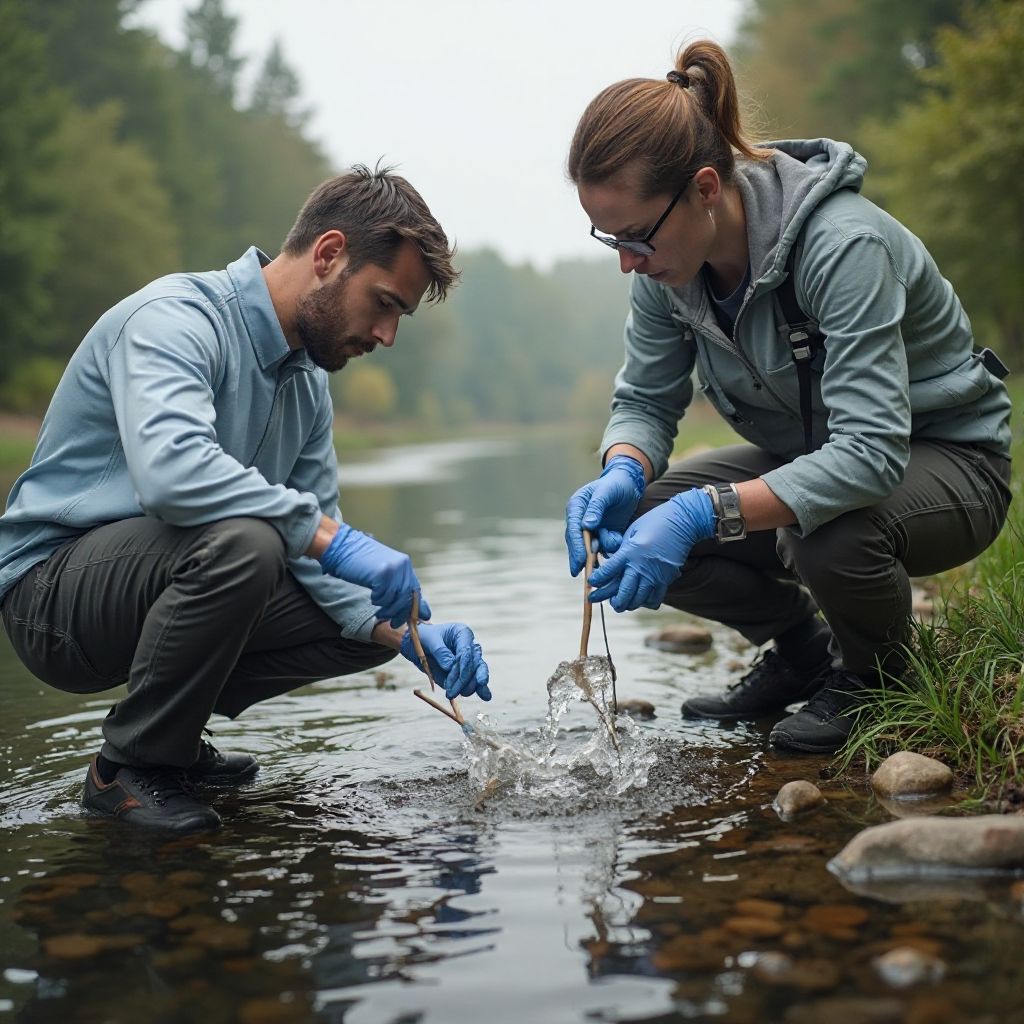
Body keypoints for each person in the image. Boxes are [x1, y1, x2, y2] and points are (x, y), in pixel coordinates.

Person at [0, 165, 491, 833]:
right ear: (328, 255)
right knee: (250, 541)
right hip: (52, 600)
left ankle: (174, 737)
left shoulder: (308, 383)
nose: (386, 336)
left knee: (369, 616)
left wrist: (407, 634)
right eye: (383, 303)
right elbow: (171, 475)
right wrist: (331, 539)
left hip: (161, 582)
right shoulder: (173, 320)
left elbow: (321, 544)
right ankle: (127, 769)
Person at [563, 41, 1012, 754]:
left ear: (707, 189)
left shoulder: (843, 247)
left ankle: (878, 676)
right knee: (638, 516)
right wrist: (622, 467)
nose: (627, 262)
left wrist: (705, 509)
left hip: (949, 466)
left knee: (825, 526)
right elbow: (647, 402)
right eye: (609, 237)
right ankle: (803, 652)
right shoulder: (665, 276)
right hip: (813, 457)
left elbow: (866, 457)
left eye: (638, 236)